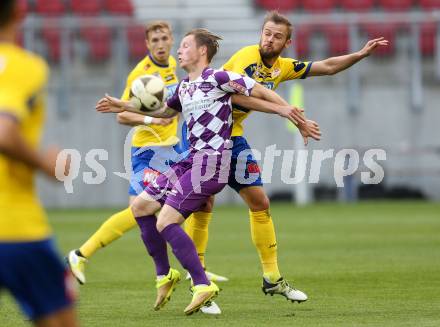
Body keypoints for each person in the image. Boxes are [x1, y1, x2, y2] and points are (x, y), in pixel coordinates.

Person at [95, 28, 317, 315]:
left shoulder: (218, 78)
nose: (179, 50)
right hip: (191, 160)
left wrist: (286, 110)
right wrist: (122, 105)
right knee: (140, 206)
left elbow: (256, 89)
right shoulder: (185, 86)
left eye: (185, 45)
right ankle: (165, 276)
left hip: (213, 163)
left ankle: (202, 284)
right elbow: (165, 112)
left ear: (201, 51)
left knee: (166, 222)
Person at [183, 10, 389, 300]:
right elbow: (234, 95)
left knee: (259, 202)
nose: (269, 39)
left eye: (277, 36)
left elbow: (327, 66)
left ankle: (272, 278)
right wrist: (286, 112)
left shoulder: (282, 67)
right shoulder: (247, 57)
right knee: (204, 204)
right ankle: (198, 278)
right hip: (204, 134)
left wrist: (361, 54)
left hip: (232, 135)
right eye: (267, 33)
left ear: (287, 43)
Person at [66, 21, 228, 292]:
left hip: (173, 149)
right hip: (148, 152)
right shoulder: (141, 74)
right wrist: (151, 121)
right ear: (147, 44)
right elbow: (121, 114)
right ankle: (80, 255)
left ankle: (192, 269)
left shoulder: (175, 69)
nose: (161, 44)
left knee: (200, 204)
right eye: (155, 40)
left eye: (165, 38)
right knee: (143, 209)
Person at [0, 0, 78, 326]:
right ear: (20, 12)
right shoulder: (22, 66)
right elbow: (4, 132)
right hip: (14, 227)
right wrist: (48, 165)